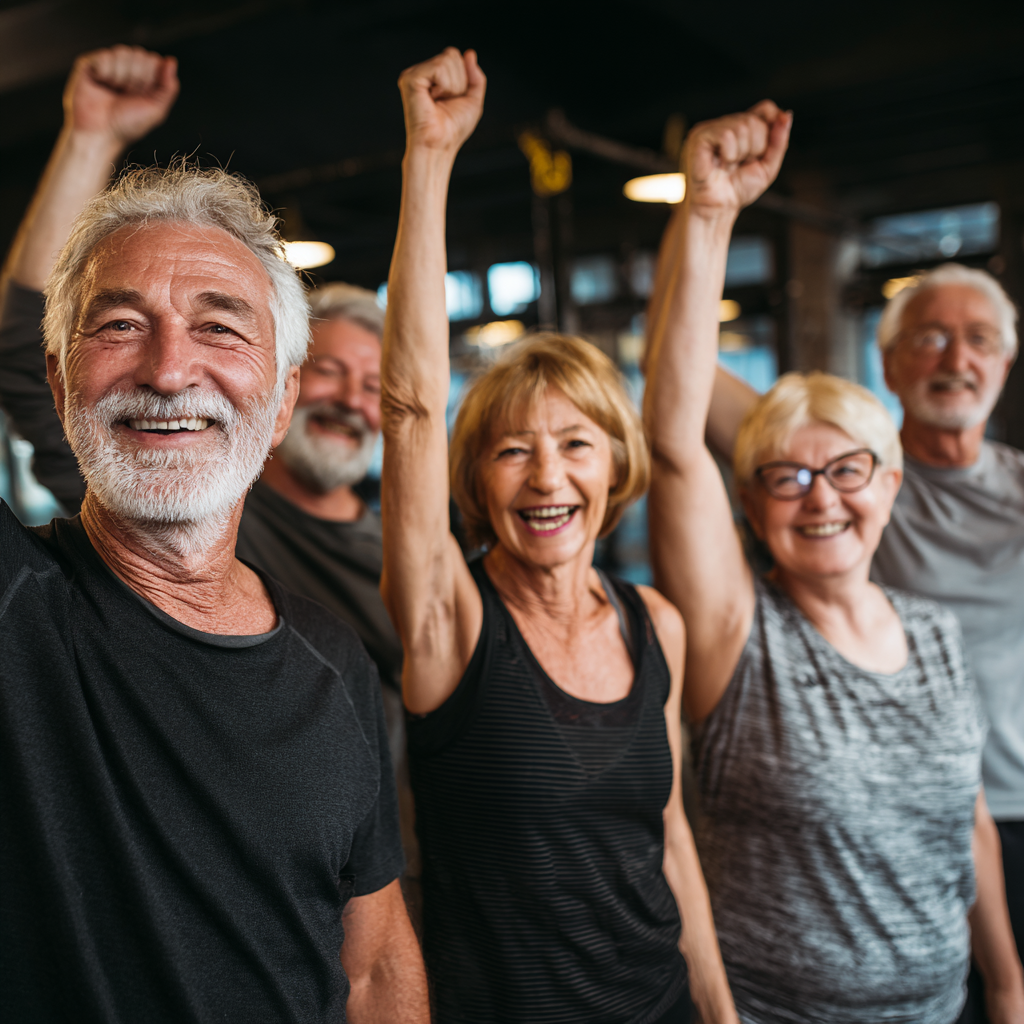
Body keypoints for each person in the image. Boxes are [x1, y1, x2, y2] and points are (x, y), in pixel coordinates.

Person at [0, 149, 428, 1023]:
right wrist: (91, 130)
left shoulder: (330, 655)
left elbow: (376, 964)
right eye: (118, 324)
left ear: (278, 402)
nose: (167, 371)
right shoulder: (15, 602)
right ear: (57, 377)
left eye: (220, 328)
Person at [643, 101, 1024, 1024]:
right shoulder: (743, 630)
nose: (820, 496)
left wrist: (1008, 986)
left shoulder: (933, 635)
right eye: (788, 475)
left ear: (887, 482)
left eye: (846, 471)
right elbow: (677, 435)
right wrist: (707, 212)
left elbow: (968, 817)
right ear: (752, 497)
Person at [379, 45, 736, 1024]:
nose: (547, 475)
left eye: (575, 443)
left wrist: (720, 1011)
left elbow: (666, 843)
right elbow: (410, 404)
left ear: (613, 466)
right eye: (509, 450)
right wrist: (430, 154)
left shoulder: (651, 621)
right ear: (474, 481)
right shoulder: (451, 620)